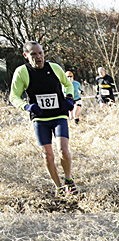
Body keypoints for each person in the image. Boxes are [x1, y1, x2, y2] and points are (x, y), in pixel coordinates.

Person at [9, 41, 77, 195]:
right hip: (40, 119)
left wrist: (69, 98)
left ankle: (68, 180)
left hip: (59, 115)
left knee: (63, 150)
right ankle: (59, 187)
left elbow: (68, 85)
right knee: (47, 155)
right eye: (33, 54)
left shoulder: (54, 68)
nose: (38, 57)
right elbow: (14, 96)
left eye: (40, 53)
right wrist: (26, 106)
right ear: (25, 55)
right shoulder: (22, 72)